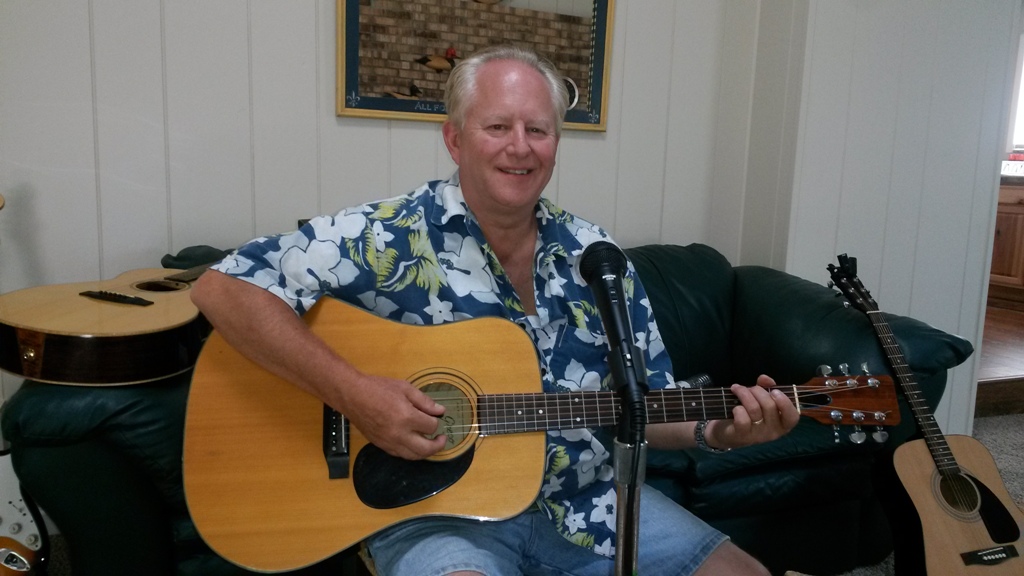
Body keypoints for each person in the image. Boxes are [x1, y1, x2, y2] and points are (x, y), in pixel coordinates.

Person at [191, 44, 800, 576]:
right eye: (498, 127)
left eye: (538, 130)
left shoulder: (597, 256)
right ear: (455, 139)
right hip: (436, 514)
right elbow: (222, 289)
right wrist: (355, 395)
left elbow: (647, 404)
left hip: (592, 504)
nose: (520, 147)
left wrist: (723, 431)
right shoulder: (385, 236)